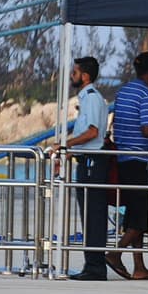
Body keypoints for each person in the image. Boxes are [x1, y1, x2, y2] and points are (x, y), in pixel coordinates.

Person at [107, 50, 148, 280]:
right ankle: (115, 253)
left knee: (135, 214)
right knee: (146, 214)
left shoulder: (123, 92)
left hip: (124, 159)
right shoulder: (146, 95)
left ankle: (139, 267)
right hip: (141, 160)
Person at [48, 56, 109, 280]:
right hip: (86, 161)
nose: (71, 76)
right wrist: (66, 154)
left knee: (94, 215)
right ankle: (91, 264)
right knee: (88, 215)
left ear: (85, 76)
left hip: (93, 164)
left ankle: (96, 267)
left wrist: (66, 145)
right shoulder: (86, 98)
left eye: (74, 72)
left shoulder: (91, 98)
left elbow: (92, 133)